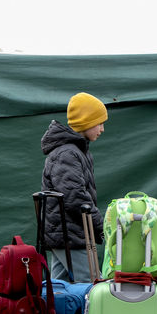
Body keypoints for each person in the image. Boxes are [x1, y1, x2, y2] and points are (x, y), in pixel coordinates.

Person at [40, 92, 107, 282]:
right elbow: (75, 198)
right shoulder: (67, 154)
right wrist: (101, 225)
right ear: (86, 122)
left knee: (60, 287)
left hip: (67, 233)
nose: (102, 129)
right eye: (99, 123)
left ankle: (56, 304)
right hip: (70, 234)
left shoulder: (77, 151)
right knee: (92, 284)